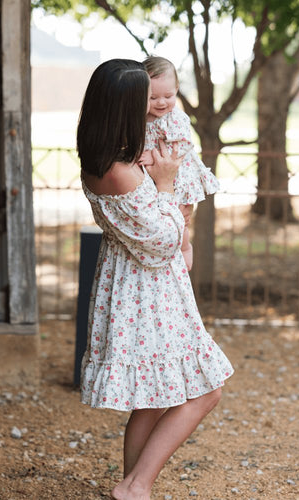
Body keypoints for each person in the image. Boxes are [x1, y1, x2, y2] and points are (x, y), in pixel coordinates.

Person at [77, 58, 234, 500]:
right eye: (145, 102)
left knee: (153, 395)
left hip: (143, 283)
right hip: (145, 288)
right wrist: (164, 184)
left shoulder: (107, 152)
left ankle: (132, 487)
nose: (156, 108)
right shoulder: (118, 170)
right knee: (206, 390)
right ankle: (136, 485)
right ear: (125, 108)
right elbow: (164, 242)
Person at [140, 56, 220, 272]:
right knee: (160, 217)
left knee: (179, 215)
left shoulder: (174, 118)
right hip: (156, 179)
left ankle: (185, 249)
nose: (161, 102)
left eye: (168, 95)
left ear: (176, 89)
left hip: (178, 176)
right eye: (153, 97)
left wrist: (152, 154)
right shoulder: (140, 118)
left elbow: (183, 145)